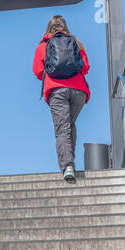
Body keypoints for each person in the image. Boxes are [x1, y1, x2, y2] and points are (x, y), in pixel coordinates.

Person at [33, 15, 90, 183]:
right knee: (69, 125)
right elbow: (85, 67)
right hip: (79, 90)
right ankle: (70, 163)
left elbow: (37, 71)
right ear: (65, 27)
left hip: (57, 90)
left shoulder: (43, 45)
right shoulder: (76, 43)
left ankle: (67, 166)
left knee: (62, 129)